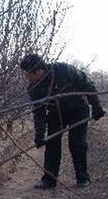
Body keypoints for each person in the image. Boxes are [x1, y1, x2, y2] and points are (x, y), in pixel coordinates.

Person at [20, 54, 105, 189]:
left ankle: (82, 178)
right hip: (56, 114)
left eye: (27, 73)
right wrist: (39, 135)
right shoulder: (34, 88)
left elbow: (87, 85)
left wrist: (96, 106)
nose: (26, 77)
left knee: (77, 144)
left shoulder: (63, 70)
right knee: (52, 144)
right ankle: (49, 180)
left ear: (38, 71)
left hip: (78, 110)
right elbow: (39, 112)